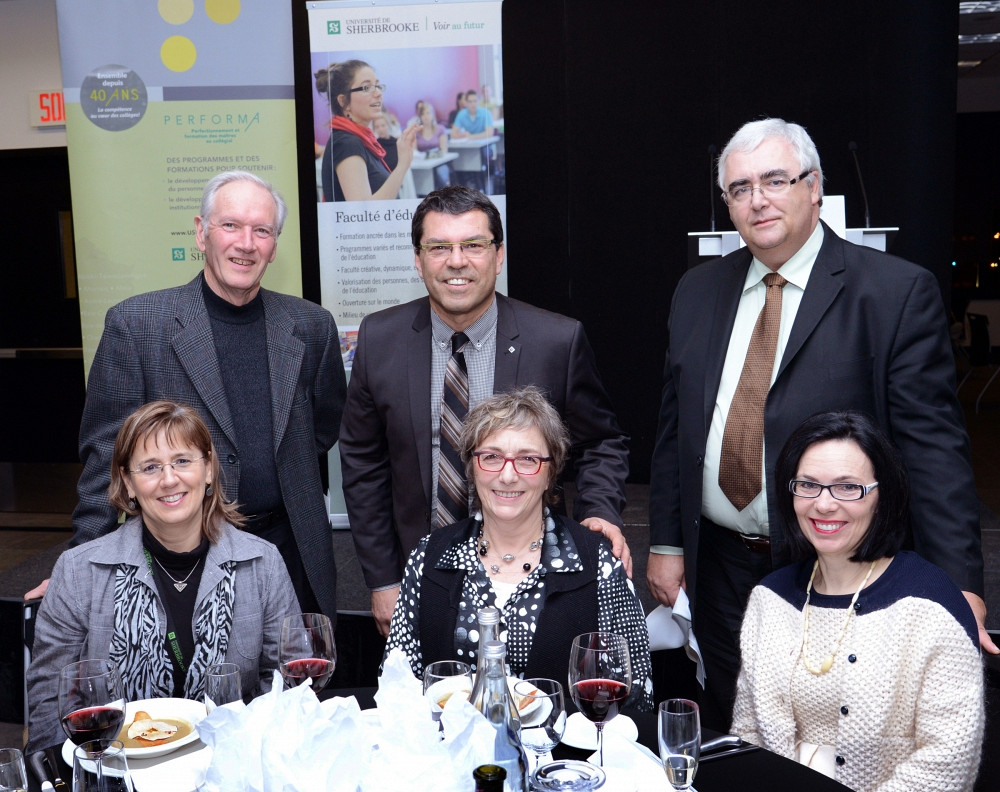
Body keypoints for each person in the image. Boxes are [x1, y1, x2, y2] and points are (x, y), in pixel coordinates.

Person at [647, 117, 993, 730]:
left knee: (839, 733)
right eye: (740, 188)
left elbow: (934, 452)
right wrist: (668, 543)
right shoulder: (696, 291)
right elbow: (677, 430)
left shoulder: (893, 293)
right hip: (720, 568)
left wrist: (958, 585)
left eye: (775, 180)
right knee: (740, 722)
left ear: (814, 187)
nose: (758, 200)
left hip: (841, 567)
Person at [26, 171, 346, 623]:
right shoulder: (137, 326)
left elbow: (322, 429)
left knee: (295, 666)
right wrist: (79, 567)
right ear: (201, 232)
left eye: (262, 230)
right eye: (230, 225)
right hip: (179, 555)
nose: (246, 243)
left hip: (291, 548)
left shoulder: (311, 326)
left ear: (275, 245)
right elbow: (107, 460)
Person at [339, 185, 630, 636]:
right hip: (420, 577)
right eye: (439, 247)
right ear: (418, 260)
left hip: (534, 578)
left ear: (499, 256)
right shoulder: (380, 339)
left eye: (473, 245)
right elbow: (363, 465)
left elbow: (601, 443)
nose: (456, 261)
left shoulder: (556, 341)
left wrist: (599, 512)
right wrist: (384, 580)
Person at [25, 401, 300, 755]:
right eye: (150, 467)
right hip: (115, 767)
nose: (169, 479)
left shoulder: (263, 563)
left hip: (230, 765)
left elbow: (284, 689)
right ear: (128, 482)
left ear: (208, 469)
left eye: (182, 461)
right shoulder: (79, 572)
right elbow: (50, 702)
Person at [732, 411, 984, 792]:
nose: (824, 504)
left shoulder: (933, 607)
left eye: (848, 488)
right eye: (808, 485)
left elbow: (948, 760)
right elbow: (747, 738)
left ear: (883, 497)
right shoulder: (769, 600)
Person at [385, 387, 652, 709]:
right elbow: (397, 684)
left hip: (563, 739)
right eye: (492, 457)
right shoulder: (428, 558)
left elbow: (635, 694)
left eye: (528, 459)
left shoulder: (598, 564)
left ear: (551, 472)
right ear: (472, 468)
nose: (508, 475)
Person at [314, 60, 418, 201]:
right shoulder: (347, 143)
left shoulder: (360, 140)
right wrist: (402, 165)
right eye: (366, 88)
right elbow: (364, 210)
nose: (378, 93)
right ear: (343, 101)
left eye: (377, 85)